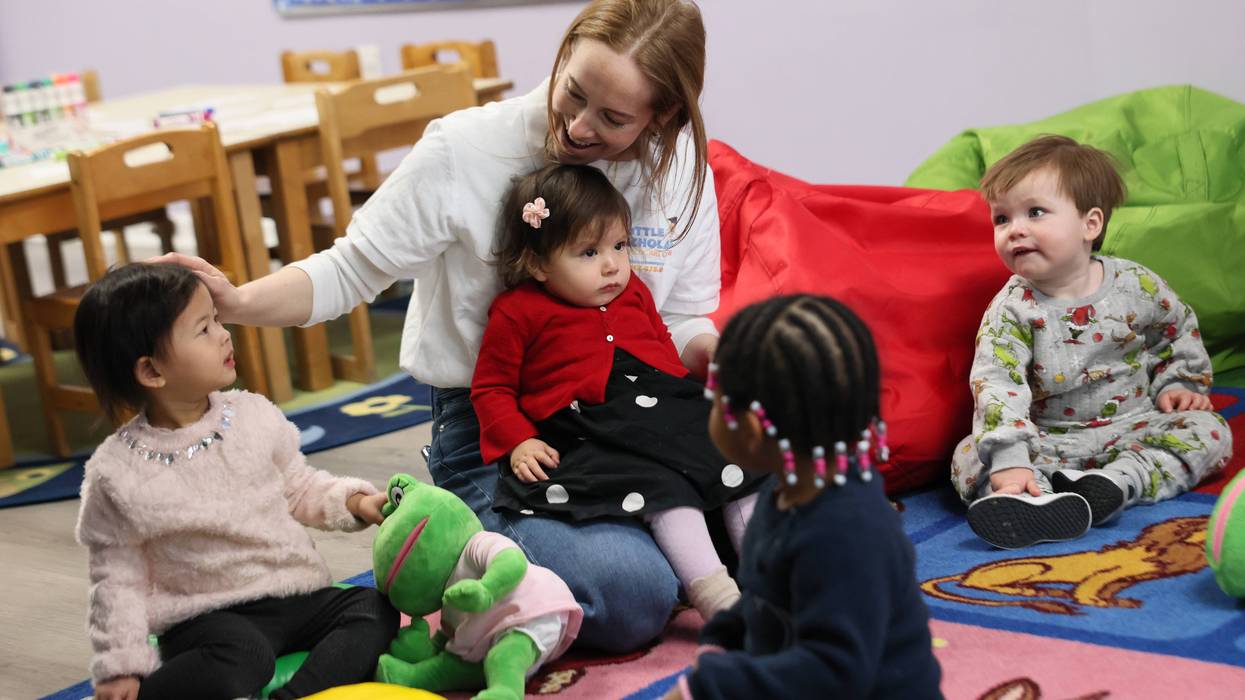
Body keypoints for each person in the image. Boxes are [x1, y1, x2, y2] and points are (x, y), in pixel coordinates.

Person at [156, 0, 719, 651]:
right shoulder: (465, 148)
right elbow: (352, 267)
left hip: (636, 417)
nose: (578, 124)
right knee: (629, 595)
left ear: (665, 116)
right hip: (503, 433)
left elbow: (679, 318)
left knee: (784, 521)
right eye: (573, 91)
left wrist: (711, 351)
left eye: (613, 118)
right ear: (563, 54)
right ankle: (453, 541)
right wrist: (238, 302)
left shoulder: (681, 172)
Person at [72, 263, 398, 700]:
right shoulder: (117, 472)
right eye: (204, 329)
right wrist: (121, 668)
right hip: (206, 620)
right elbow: (116, 580)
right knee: (244, 655)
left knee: (373, 608)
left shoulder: (252, 414)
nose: (225, 335)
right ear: (151, 372)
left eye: (218, 321)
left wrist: (355, 501)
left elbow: (297, 487)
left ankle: (300, 695)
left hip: (293, 593)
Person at [473, 163, 764, 621]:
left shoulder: (635, 293)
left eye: (619, 245)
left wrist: (699, 392)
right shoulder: (517, 312)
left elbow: (663, 349)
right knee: (665, 490)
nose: (612, 264)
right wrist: (517, 440)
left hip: (666, 411)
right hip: (593, 430)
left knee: (740, 456)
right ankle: (717, 597)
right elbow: (492, 386)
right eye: (588, 253)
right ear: (537, 264)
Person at [952, 134, 1234, 549]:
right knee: (968, 457)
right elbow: (998, 387)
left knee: (1210, 431)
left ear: (1091, 224)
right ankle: (1035, 497)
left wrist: (1180, 383)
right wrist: (1011, 463)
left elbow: (1173, 330)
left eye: (1035, 212)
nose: (1015, 230)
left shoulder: (1135, 284)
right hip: (1050, 440)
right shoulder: (1011, 310)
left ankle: (1118, 483)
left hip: (1135, 425)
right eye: (1002, 219)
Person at [669, 294, 943, 699]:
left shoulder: (847, 533)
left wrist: (714, 685)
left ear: (750, 428)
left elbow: (835, 670)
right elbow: (771, 598)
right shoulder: (782, 495)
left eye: (714, 399)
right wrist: (729, 632)